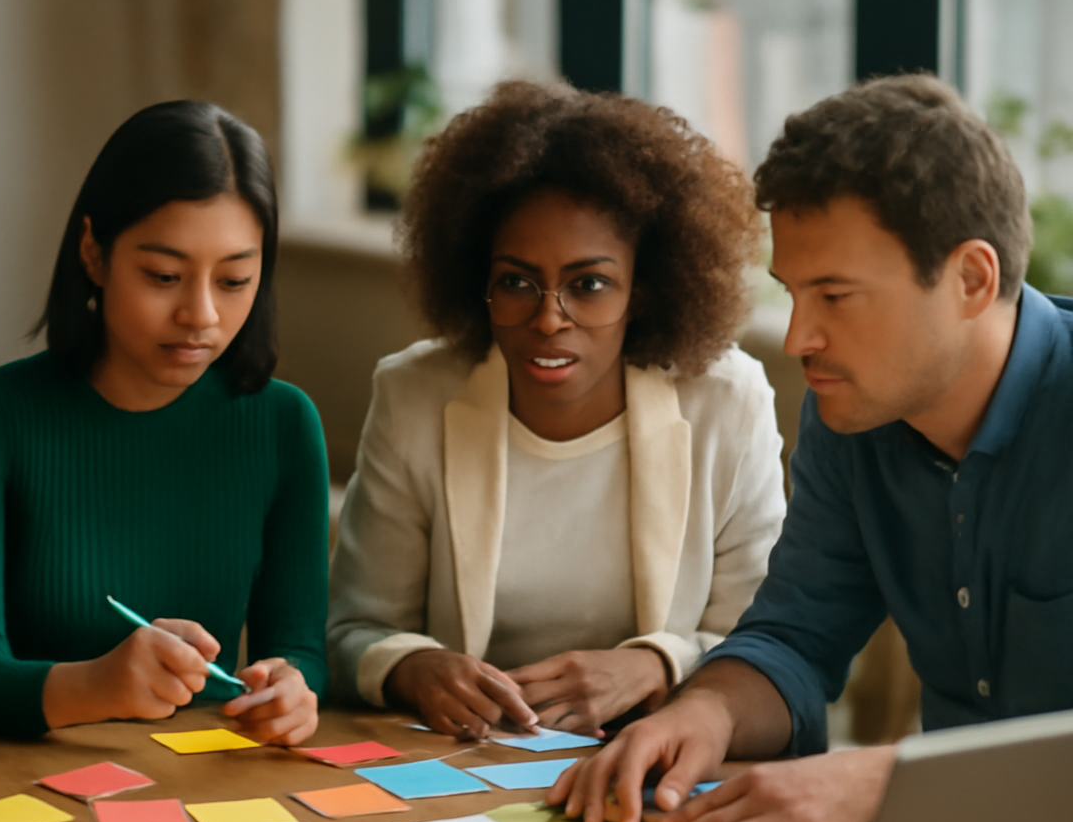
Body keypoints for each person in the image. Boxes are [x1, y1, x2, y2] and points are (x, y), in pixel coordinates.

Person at [552, 74, 1067, 822]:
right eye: (793, 292)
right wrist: (705, 716)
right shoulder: (852, 413)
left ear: (971, 280)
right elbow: (796, 634)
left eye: (836, 295)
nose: (798, 339)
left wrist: (894, 780)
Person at [327, 81, 786, 741]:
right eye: (516, 282)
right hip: (463, 767)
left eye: (588, 285)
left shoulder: (727, 404)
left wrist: (657, 664)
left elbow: (769, 641)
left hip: (646, 757)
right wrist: (412, 667)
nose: (548, 319)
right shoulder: (415, 398)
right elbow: (352, 631)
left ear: (645, 288)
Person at [0, 101, 327, 746]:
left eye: (234, 280)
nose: (200, 315)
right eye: (164, 276)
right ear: (94, 252)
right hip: (25, 783)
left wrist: (293, 688)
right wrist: (93, 685)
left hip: (206, 790)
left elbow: (302, 649)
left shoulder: (284, 425)